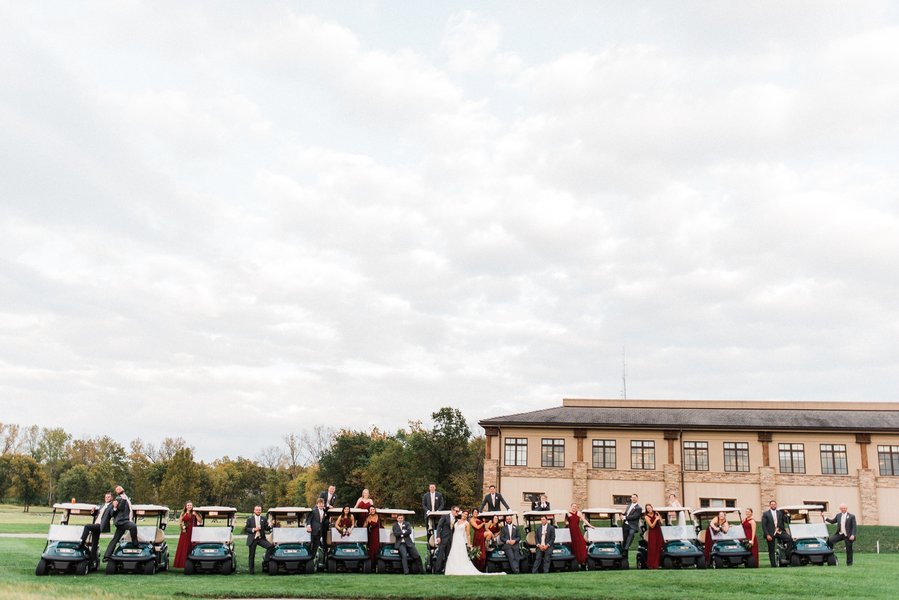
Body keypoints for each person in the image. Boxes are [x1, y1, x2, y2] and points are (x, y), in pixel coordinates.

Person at [445, 509, 504, 576]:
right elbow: (477, 527)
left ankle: (487, 546)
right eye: (464, 513)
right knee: (454, 553)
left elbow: (468, 534)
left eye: (466, 514)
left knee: (461, 554)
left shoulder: (467, 523)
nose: (465, 515)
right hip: (456, 539)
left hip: (461, 539)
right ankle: (453, 568)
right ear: (461, 514)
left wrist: (469, 543)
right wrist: (483, 523)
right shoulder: (458, 521)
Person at [104, 485, 137, 561]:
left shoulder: (125, 498)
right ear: (116, 492)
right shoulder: (119, 498)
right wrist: (117, 505)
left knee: (115, 539)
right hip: (121, 521)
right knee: (133, 526)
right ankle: (135, 544)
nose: (118, 489)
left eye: (119, 488)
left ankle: (107, 556)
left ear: (122, 488)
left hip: (124, 521)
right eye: (117, 489)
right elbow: (121, 508)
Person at [80, 492, 113, 567]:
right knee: (94, 544)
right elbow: (97, 514)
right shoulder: (102, 505)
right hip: (96, 524)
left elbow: (112, 513)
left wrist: (114, 507)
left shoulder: (111, 506)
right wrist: (93, 511)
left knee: (87, 526)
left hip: (101, 525)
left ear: (111, 498)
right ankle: (92, 562)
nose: (107, 498)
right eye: (106, 497)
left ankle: (82, 543)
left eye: (108, 497)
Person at [761, 500, 791, 567]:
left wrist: (788, 514)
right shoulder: (766, 514)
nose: (773, 505)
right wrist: (767, 535)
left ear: (776, 505)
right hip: (770, 533)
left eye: (774, 504)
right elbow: (764, 525)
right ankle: (773, 565)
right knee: (771, 549)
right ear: (770, 505)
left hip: (779, 532)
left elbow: (787, 521)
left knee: (789, 538)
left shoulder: (780, 512)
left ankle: (787, 556)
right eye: (772, 504)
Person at [173, 501, 202, 569]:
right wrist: (182, 527)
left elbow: (200, 521)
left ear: (192, 506)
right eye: (188, 505)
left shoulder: (195, 512)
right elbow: (180, 522)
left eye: (190, 505)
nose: (189, 506)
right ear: (186, 506)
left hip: (194, 531)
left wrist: (196, 514)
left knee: (193, 545)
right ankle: (183, 563)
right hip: (185, 532)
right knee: (184, 546)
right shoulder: (183, 513)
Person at [244, 505, 273, 574]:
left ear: (261, 511)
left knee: (270, 546)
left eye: (259, 510)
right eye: (257, 510)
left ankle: (265, 562)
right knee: (252, 555)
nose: (258, 511)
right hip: (252, 539)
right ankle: (251, 571)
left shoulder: (264, 518)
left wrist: (271, 525)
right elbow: (246, 529)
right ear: (254, 511)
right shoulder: (250, 519)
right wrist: (254, 529)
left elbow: (266, 528)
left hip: (261, 539)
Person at [434, 505, 459, 574]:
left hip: (450, 539)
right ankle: (437, 570)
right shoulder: (445, 516)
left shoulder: (456, 519)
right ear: (452, 510)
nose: (457, 512)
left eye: (458, 511)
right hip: (443, 538)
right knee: (440, 554)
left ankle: (446, 569)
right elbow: (439, 526)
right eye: (456, 511)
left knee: (448, 554)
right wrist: (438, 536)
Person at [566, 503, 593, 568]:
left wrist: (590, 525)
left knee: (582, 543)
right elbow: (566, 522)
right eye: (573, 506)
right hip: (570, 531)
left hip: (577, 531)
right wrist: (566, 523)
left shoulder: (579, 513)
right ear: (571, 507)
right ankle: (573, 560)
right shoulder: (568, 513)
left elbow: (584, 520)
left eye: (575, 506)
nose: (574, 507)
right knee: (572, 544)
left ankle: (581, 560)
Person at [306, 497, 329, 565]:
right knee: (309, 544)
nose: (321, 505)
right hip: (313, 531)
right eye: (320, 504)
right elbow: (309, 519)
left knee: (316, 546)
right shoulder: (313, 511)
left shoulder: (325, 512)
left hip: (320, 532)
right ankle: (307, 558)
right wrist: (309, 526)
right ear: (317, 504)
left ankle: (311, 560)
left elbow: (324, 522)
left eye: (322, 504)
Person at [644, 504, 663, 569]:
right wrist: (655, 519)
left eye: (650, 508)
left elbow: (661, 523)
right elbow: (651, 526)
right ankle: (652, 564)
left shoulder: (656, 514)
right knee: (653, 548)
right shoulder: (646, 517)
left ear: (652, 508)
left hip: (658, 531)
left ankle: (658, 564)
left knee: (659, 547)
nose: (649, 509)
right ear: (646, 510)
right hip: (652, 533)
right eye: (647, 508)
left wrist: (659, 516)